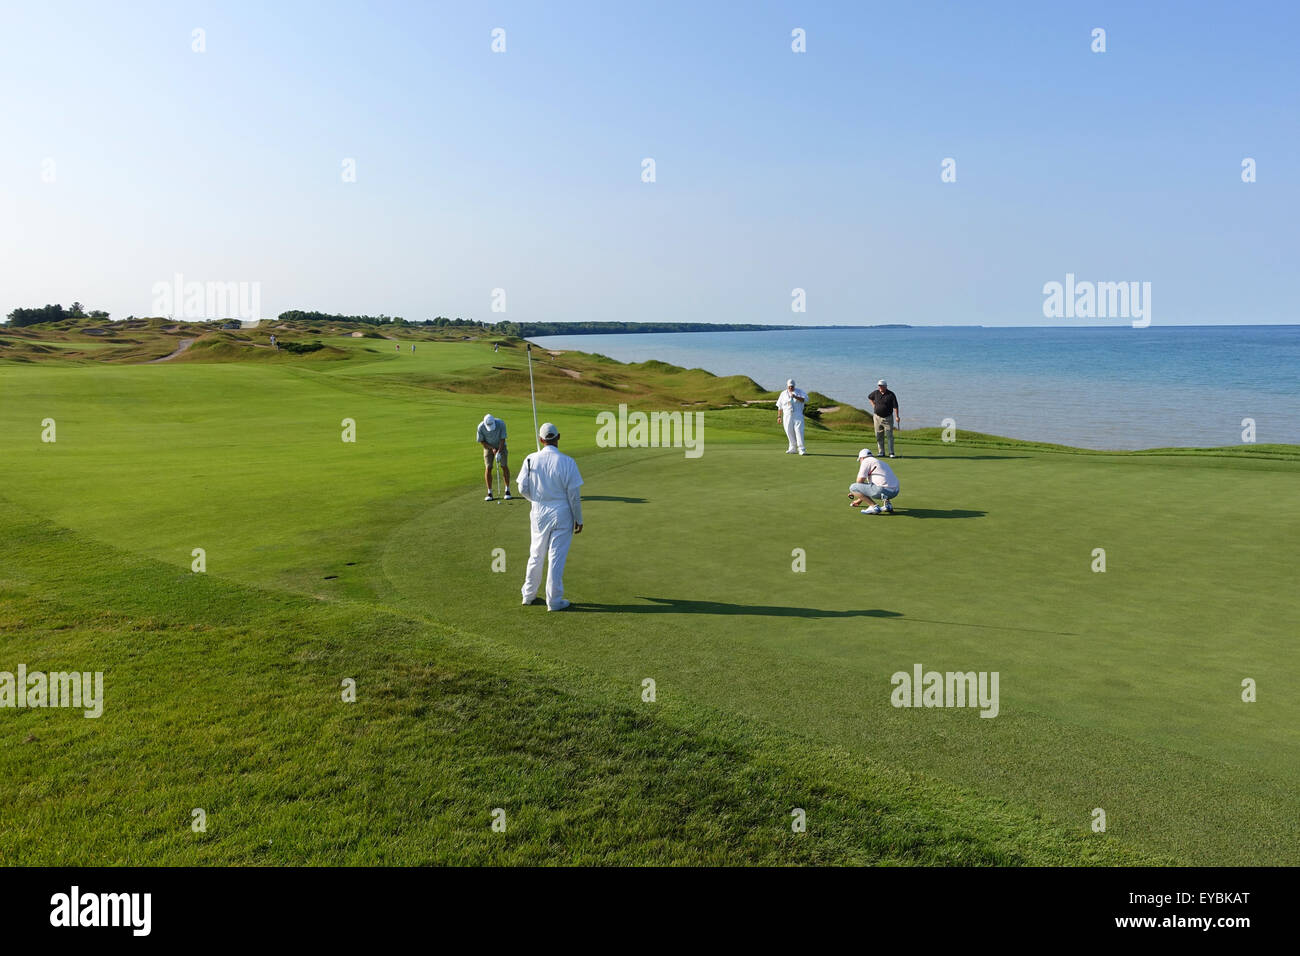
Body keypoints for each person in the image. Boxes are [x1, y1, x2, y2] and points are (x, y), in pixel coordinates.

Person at [518, 422, 583, 611]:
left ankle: (528, 595)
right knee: (556, 558)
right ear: (558, 437)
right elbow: (574, 495)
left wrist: (535, 500)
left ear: (540, 439)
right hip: (562, 513)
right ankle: (554, 601)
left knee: (536, 554)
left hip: (538, 512)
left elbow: (522, 487)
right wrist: (579, 519)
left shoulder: (530, 459)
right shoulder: (568, 462)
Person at [849, 448, 900, 514]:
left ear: (862, 458)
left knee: (853, 487)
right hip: (895, 492)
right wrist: (859, 500)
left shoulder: (866, 461)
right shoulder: (881, 462)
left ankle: (874, 507)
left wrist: (854, 492)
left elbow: (859, 481)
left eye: (860, 460)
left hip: (883, 490)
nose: (860, 462)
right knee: (882, 483)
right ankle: (888, 505)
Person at [477, 413, 512, 501]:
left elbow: (502, 439)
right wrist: (492, 448)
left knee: (504, 465)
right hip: (488, 447)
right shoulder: (481, 427)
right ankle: (489, 492)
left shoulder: (501, 424)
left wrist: (499, 452)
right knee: (488, 467)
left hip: (501, 446)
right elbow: (482, 441)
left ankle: (507, 490)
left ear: (494, 422)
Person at [868, 379, 901, 458]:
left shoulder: (891, 394)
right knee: (878, 435)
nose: (880, 387)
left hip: (887, 418)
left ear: (885, 386)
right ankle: (881, 452)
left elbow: (895, 406)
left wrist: (897, 416)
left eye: (881, 386)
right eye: (879, 386)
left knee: (889, 435)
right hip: (877, 417)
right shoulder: (876, 393)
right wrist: (874, 406)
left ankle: (891, 452)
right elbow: (870, 398)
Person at [775, 378, 808, 455]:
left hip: (797, 414)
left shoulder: (800, 392)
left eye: (792, 386)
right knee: (789, 431)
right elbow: (779, 406)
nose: (791, 388)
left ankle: (801, 449)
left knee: (799, 431)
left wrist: (795, 397)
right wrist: (779, 417)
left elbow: (805, 399)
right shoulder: (783, 394)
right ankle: (792, 448)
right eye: (789, 386)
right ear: (787, 386)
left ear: (794, 386)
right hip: (787, 415)